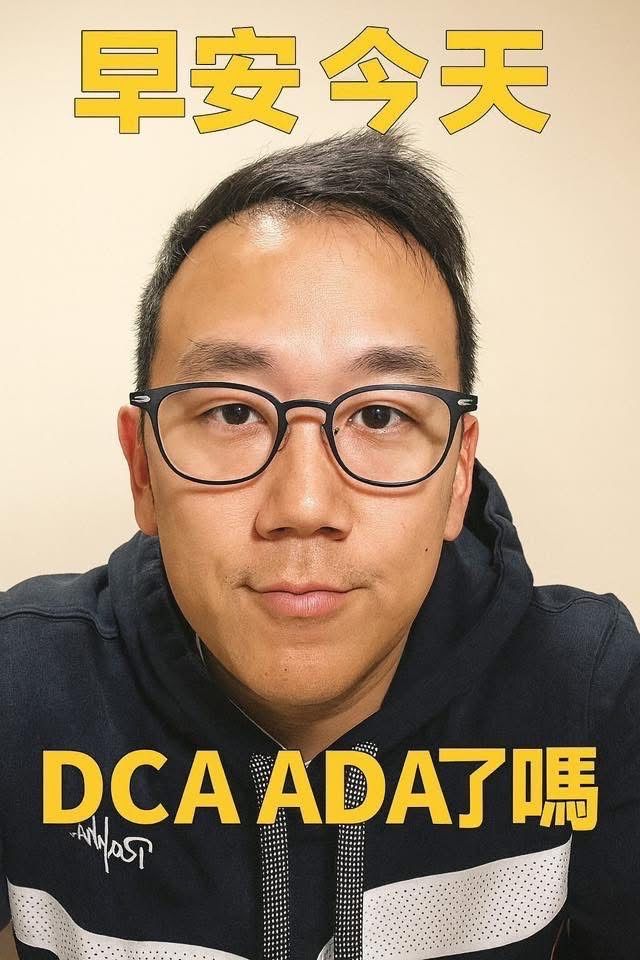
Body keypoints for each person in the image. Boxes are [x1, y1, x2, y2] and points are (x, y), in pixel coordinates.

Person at [1, 127, 638, 960]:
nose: (304, 505)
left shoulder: (589, 690)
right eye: (233, 411)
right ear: (142, 469)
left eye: (380, 414)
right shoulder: (19, 689)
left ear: (458, 475)